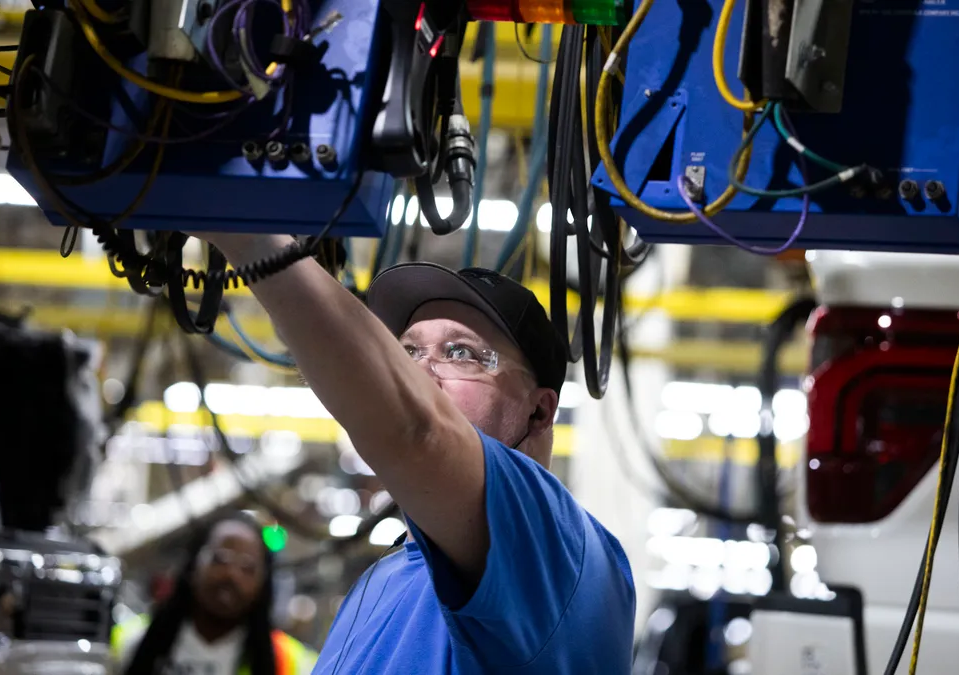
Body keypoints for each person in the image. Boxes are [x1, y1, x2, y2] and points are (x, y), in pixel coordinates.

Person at [203, 233, 636, 674]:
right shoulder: (378, 582)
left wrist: (250, 240)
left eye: (460, 353)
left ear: (540, 412)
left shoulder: (556, 555)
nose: (422, 372)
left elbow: (420, 433)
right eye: (407, 351)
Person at [111, 512, 318, 675]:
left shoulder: (292, 664)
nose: (231, 575)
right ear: (193, 565)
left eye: (248, 567)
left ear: (263, 584)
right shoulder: (127, 643)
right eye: (221, 559)